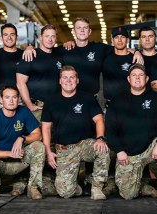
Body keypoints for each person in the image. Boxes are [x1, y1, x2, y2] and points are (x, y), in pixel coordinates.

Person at [106, 64, 157, 203]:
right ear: (128, 79)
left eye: (141, 75)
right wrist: (119, 151)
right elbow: (110, 130)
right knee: (128, 194)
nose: (137, 78)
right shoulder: (117, 101)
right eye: (134, 75)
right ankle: (141, 185)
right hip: (128, 153)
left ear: (147, 78)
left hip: (152, 147)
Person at [41, 66, 109, 200]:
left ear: (77, 80)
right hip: (65, 149)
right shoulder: (51, 101)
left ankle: (96, 188)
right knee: (65, 193)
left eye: (72, 77)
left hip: (84, 144)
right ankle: (77, 187)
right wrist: (48, 151)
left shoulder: (88, 98)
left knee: (102, 149)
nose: (68, 80)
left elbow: (99, 120)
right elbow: (46, 128)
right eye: (65, 77)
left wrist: (100, 138)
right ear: (60, 81)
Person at [0, 85, 45, 199]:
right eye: (7, 97)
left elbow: (38, 135)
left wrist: (22, 138)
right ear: (1, 99)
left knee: (39, 146)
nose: (11, 100)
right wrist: (8, 153)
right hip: (1, 163)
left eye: (14, 97)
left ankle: (32, 187)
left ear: (19, 99)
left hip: (20, 159)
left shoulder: (24, 112)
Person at [16, 24, 62, 120]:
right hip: (37, 106)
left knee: (54, 134)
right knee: (36, 134)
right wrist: (30, 105)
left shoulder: (59, 56)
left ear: (56, 38)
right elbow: (20, 83)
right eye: (47, 36)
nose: (50, 39)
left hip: (55, 106)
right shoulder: (30, 55)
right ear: (41, 37)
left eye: (53, 36)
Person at [0, 23, 23, 113]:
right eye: (6, 35)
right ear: (1, 37)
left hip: (20, 99)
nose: (9, 38)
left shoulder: (24, 55)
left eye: (12, 35)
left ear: (17, 37)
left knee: (19, 126)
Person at [101, 26, 135, 106]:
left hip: (131, 103)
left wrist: (137, 52)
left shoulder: (135, 58)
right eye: (116, 37)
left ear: (127, 40)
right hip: (111, 104)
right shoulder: (105, 58)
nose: (119, 40)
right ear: (112, 40)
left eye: (122, 37)